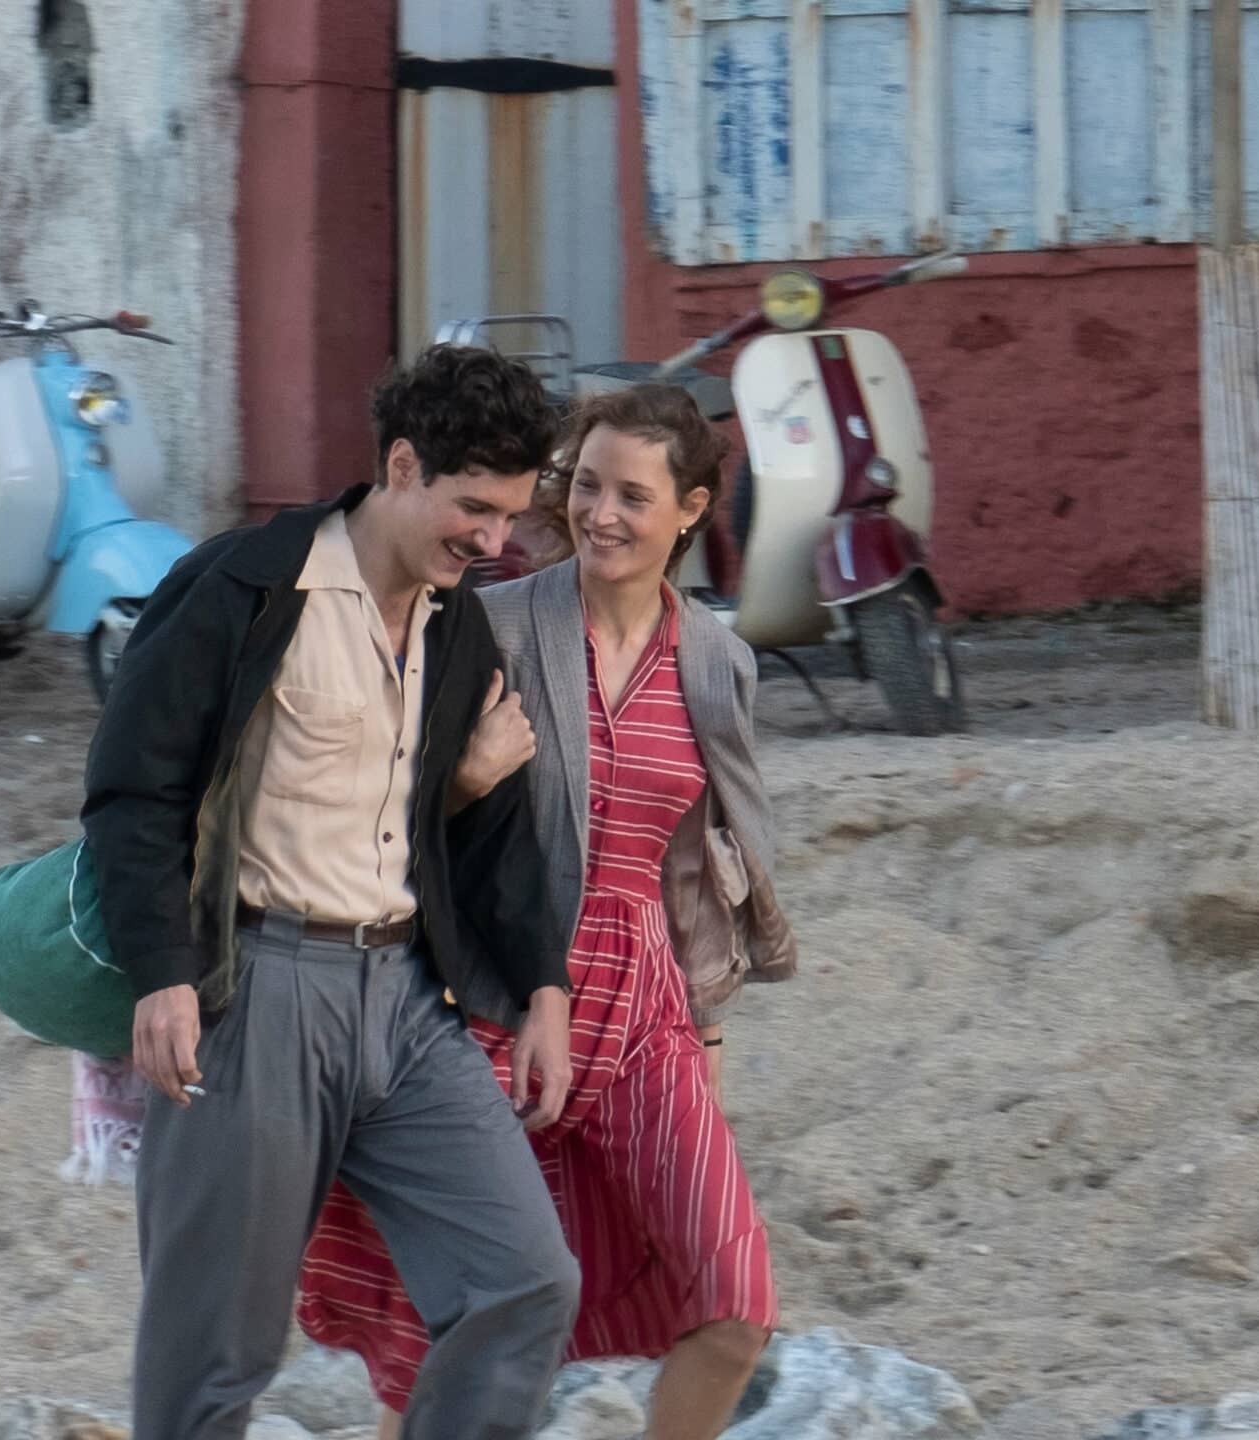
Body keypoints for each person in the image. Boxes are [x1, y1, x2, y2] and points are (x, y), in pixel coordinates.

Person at [79, 344, 585, 1440]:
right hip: (253, 999)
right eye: (473, 510)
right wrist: (161, 977)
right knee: (211, 1359)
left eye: (508, 517)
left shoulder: (460, 625)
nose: (494, 543)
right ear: (401, 465)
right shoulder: (244, 586)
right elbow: (133, 793)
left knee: (523, 1280)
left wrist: (543, 986)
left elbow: (493, 823)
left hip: (406, 1005)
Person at [295, 383, 801, 1440]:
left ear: (693, 509)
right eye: (586, 486)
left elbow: (697, 869)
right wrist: (465, 781)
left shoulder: (718, 661)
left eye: (633, 495)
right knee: (448, 1322)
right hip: (492, 991)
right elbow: (383, 798)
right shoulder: (490, 624)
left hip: (647, 1008)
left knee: (736, 1303)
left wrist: (705, 1029)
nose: (599, 513)